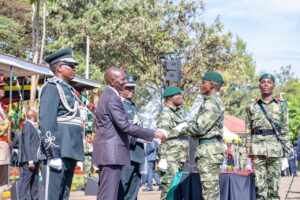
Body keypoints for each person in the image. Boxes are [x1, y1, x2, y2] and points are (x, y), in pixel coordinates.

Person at [93, 67, 166, 200]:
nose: (125, 82)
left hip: (110, 153)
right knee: (108, 195)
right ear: (111, 81)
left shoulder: (109, 95)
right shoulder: (112, 97)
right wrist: (153, 133)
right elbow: (125, 126)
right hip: (111, 153)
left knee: (108, 195)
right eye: (122, 79)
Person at [39, 48, 84, 200]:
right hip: (58, 150)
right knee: (51, 196)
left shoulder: (68, 89)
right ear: (59, 67)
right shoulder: (51, 88)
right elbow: (47, 123)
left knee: (63, 195)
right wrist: (53, 154)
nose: (74, 69)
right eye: (70, 65)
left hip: (70, 149)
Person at [176, 71, 225, 200]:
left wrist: (182, 129)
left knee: (209, 194)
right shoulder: (210, 102)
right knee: (210, 192)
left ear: (212, 85)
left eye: (203, 82)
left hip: (209, 151)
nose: (200, 85)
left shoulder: (212, 103)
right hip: (208, 150)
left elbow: (199, 127)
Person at [246, 73, 290, 199]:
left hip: (275, 149)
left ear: (274, 85)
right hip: (257, 149)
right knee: (260, 188)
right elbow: (248, 128)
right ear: (259, 85)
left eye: (269, 82)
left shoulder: (281, 105)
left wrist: (286, 147)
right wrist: (247, 149)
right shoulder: (251, 105)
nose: (266, 84)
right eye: (263, 82)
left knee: (274, 188)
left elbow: (285, 128)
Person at [117, 73, 147, 200]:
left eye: (132, 88)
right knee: (122, 188)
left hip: (137, 153)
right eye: (128, 88)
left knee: (133, 190)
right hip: (126, 152)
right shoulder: (118, 104)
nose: (131, 91)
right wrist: (139, 137)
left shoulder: (132, 105)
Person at [156, 86, 188, 200]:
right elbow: (163, 136)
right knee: (169, 189)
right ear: (169, 97)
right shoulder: (166, 113)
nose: (180, 97)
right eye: (177, 95)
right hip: (170, 157)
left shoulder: (178, 112)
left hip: (179, 157)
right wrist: (163, 158)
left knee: (175, 188)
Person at [19, 110, 40, 200]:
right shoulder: (27, 126)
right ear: (34, 116)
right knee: (25, 183)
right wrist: (30, 161)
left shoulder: (32, 126)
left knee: (34, 183)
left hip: (35, 159)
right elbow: (26, 144)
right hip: (29, 161)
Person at [0, 73, 11, 197]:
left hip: (4, 144)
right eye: (0, 88)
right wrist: (5, 123)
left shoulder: (2, 107)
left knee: (3, 177)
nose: (3, 90)